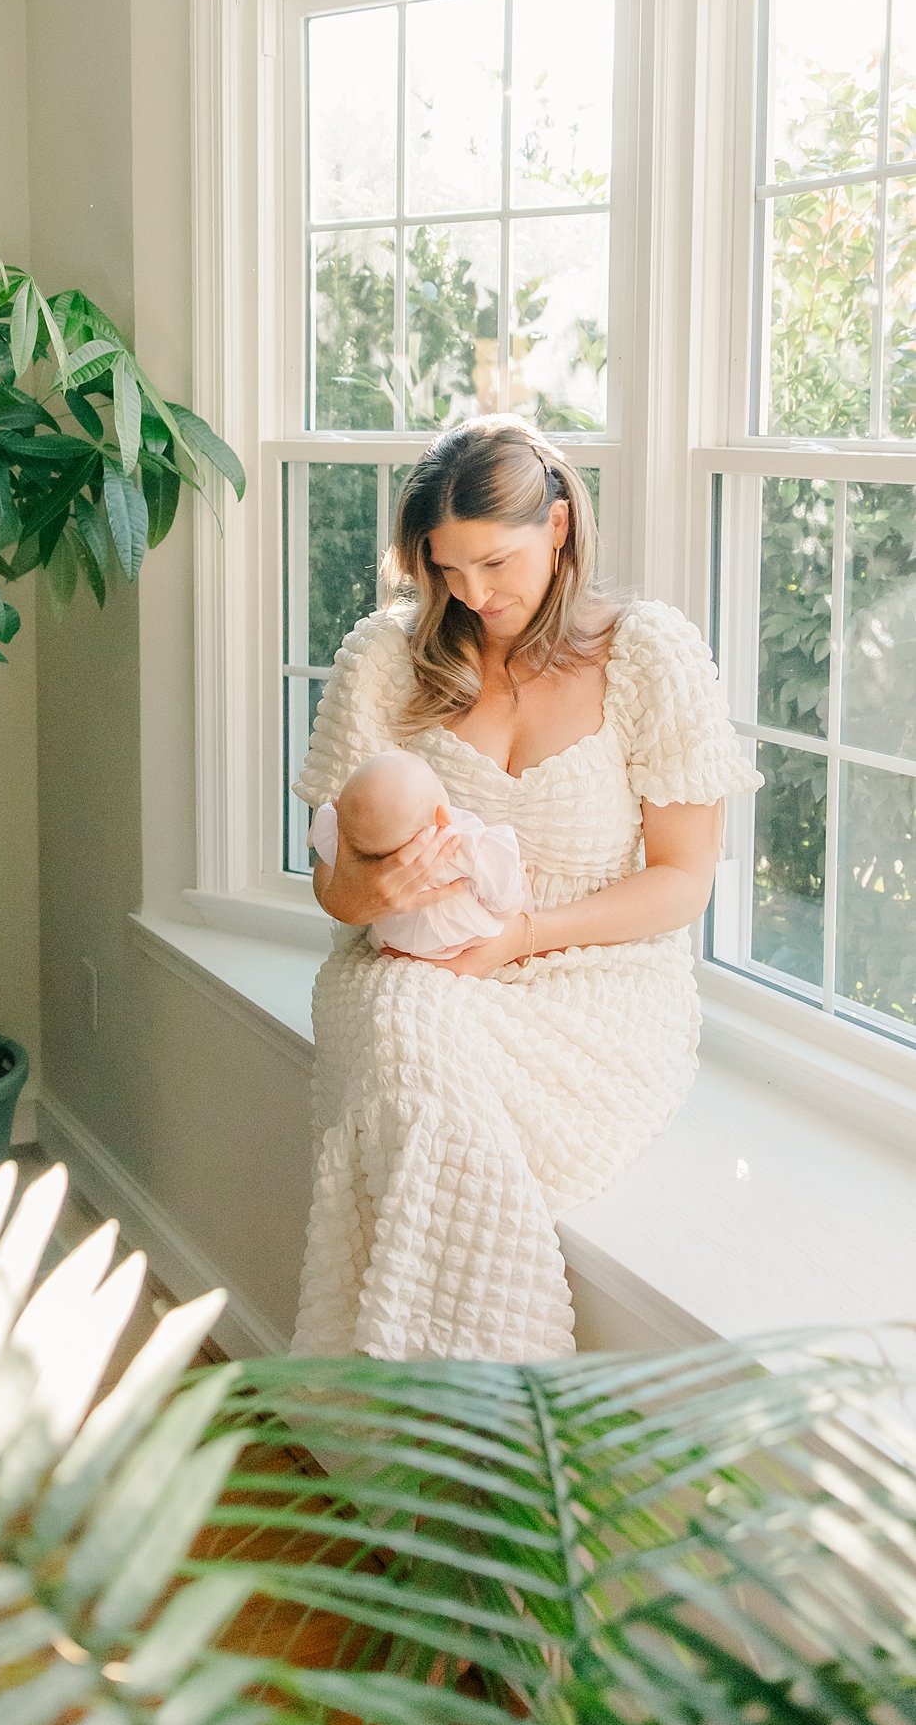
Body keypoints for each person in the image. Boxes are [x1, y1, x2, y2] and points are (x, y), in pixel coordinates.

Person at [293, 414, 760, 1362]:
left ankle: (424, 1406)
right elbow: (333, 890)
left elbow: (681, 885)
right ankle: (496, 1389)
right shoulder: (389, 655)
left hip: (596, 980)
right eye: (446, 569)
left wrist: (524, 936)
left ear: (557, 528)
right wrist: (376, 894)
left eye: (496, 564)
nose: (472, 594)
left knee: (421, 1082)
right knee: (406, 1035)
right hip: (414, 969)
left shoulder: (645, 654)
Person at [308, 749, 531, 961]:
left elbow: (331, 856)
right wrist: (516, 895)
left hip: (392, 941)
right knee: (516, 889)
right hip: (462, 941)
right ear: (442, 815)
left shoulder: (346, 834)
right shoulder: (464, 844)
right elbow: (504, 902)